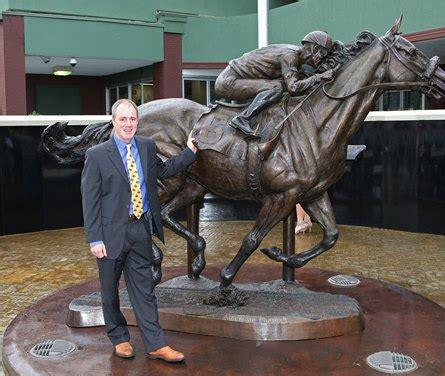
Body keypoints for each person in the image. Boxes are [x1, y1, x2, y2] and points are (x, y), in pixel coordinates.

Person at [81, 99, 197, 362]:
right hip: (110, 235)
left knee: (144, 290)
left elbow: (165, 170)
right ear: (114, 122)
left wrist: (190, 151)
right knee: (109, 291)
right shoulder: (97, 155)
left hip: (140, 230)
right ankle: (119, 338)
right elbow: (90, 200)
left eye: (132, 119)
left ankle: (156, 344)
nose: (128, 124)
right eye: (123, 119)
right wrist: (95, 238)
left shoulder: (146, 146)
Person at [215, 31, 335, 137]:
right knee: (276, 87)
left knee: (280, 85)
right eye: (323, 54)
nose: (323, 59)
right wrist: (318, 77)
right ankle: (243, 119)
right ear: (314, 49)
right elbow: (293, 87)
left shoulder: (295, 57)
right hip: (228, 82)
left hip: (235, 79)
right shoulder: (290, 56)